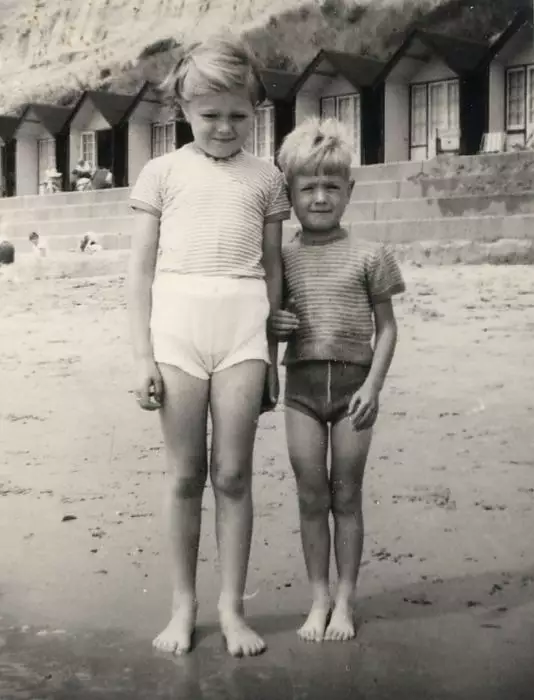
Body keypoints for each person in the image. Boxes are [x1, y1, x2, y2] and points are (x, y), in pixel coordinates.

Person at [127, 33, 290, 657]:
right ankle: (183, 606)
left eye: (239, 115)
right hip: (176, 332)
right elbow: (139, 273)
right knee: (185, 475)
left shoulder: (267, 178)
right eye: (209, 115)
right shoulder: (161, 172)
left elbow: (274, 272)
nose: (224, 127)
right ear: (184, 114)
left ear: (257, 112)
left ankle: (230, 608)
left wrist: (271, 359)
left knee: (234, 474)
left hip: (243, 330)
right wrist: (141, 355)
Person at [270, 118, 405, 643]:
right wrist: (274, 323)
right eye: (308, 188)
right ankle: (319, 597)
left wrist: (373, 387)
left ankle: (346, 600)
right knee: (311, 496)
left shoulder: (371, 254)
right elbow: (271, 320)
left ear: (350, 190)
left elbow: (388, 329)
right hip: (301, 393)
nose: (320, 198)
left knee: (346, 496)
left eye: (332, 187)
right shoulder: (281, 259)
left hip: (355, 393)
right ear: (290, 194)